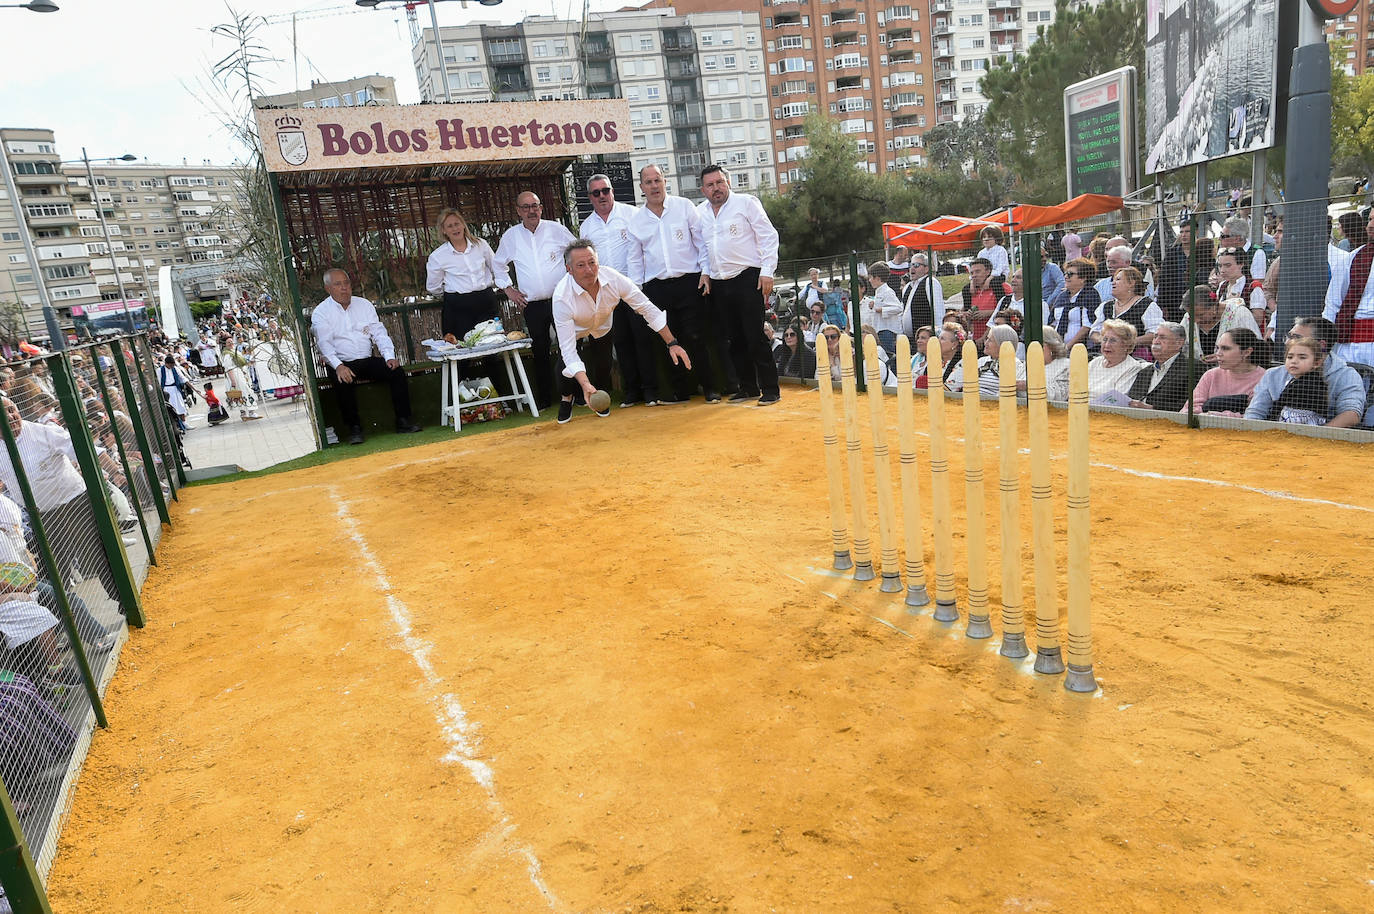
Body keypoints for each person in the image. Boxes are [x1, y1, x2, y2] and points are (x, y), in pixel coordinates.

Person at [551, 239, 691, 424]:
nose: (589, 270)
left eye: (592, 262)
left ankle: (598, 395)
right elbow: (569, 351)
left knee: (604, 364)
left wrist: (672, 343)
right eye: (581, 265)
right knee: (564, 370)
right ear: (569, 269)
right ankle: (567, 398)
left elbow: (646, 308)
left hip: (602, 325)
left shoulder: (614, 278)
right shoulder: (562, 297)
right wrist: (584, 384)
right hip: (575, 329)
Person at [626, 164, 718, 404]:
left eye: (657, 180)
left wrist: (706, 272)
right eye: (649, 182)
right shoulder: (637, 221)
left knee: (696, 337)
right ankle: (680, 392)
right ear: (641, 188)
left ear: (665, 181)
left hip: (690, 282)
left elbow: (701, 243)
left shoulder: (684, 206)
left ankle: (709, 388)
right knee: (668, 340)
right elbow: (635, 260)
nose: (654, 186)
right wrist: (636, 295)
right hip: (656, 287)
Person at [696, 165, 781, 405]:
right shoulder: (700, 213)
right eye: (710, 185)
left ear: (728, 182)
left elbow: (768, 236)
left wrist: (767, 272)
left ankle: (771, 389)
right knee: (733, 338)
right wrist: (705, 273)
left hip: (748, 277)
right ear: (703, 190)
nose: (716, 188)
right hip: (719, 282)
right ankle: (748, 387)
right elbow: (703, 248)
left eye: (720, 182)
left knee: (754, 335)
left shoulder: (746, 203)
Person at [310, 268, 423, 445]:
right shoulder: (321, 312)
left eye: (346, 283)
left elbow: (379, 333)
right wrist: (338, 366)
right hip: (342, 361)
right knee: (342, 380)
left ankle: (403, 421)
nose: (344, 288)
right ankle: (354, 428)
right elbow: (324, 344)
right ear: (328, 289)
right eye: (338, 284)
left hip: (366, 359)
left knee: (396, 372)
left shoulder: (364, 305)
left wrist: (389, 356)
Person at [580, 173, 657, 409]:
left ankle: (651, 391)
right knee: (621, 343)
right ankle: (631, 391)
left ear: (612, 191)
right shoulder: (586, 227)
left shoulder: (632, 215)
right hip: (608, 294)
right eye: (596, 193)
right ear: (590, 197)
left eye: (606, 190)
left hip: (635, 288)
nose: (602, 196)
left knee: (644, 340)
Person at [494, 191, 577, 410]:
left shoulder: (556, 230)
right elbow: (498, 265)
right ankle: (544, 399)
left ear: (541, 208)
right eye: (526, 207)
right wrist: (509, 289)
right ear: (519, 211)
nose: (532, 210)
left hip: (561, 300)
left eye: (535, 206)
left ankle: (574, 394)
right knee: (540, 351)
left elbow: (577, 252)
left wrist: (571, 280)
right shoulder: (510, 236)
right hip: (532, 305)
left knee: (568, 347)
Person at [1245, 318, 1366, 427]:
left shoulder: (1347, 376)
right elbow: (1255, 412)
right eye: (1288, 336)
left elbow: (1351, 415)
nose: (1287, 342)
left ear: (1320, 345)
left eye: (1296, 337)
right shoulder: (1272, 374)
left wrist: (1316, 437)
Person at [426, 207, 502, 344]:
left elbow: (497, 268)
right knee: (460, 350)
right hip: (457, 308)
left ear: (463, 225)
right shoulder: (437, 256)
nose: (455, 228)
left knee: (492, 347)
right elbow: (433, 287)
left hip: (485, 302)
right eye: (449, 226)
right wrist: (454, 295)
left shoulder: (481, 245)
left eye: (457, 224)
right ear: (444, 231)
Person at [1323, 206, 1374, 367]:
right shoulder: (1354, 258)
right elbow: (1333, 303)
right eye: (1370, 219)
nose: (1370, 225)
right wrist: (1325, 344)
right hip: (1351, 348)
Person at [1183, 328, 1267, 415]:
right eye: (1217, 348)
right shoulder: (1211, 375)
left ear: (1246, 352)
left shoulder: (1265, 379)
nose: (1218, 353)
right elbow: (1188, 409)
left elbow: (1254, 417)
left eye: (1225, 348)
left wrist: (1211, 414)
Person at [1179, 285, 1259, 365]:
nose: (1195, 320)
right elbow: (1180, 344)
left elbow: (1256, 347)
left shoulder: (1240, 314)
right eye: (1191, 316)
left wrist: (1225, 356)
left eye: (1201, 315)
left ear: (1213, 307)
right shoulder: (1188, 318)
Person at [1259, 336, 1330, 425]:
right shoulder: (1295, 381)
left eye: (1302, 357)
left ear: (1316, 363)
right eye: (1290, 357)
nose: (1294, 361)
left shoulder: (1310, 385)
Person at [1092, 266, 1163, 354]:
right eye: (1113, 280)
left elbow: (1155, 334)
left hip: (1135, 357)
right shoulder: (1105, 306)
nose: (1113, 283)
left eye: (1118, 279)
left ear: (1131, 283)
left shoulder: (1147, 305)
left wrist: (1129, 343)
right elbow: (1094, 332)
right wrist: (1105, 341)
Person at [948, 324, 1025, 400]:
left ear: (1001, 344)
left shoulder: (1016, 366)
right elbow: (952, 384)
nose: (986, 343)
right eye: (987, 339)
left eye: (990, 340)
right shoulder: (981, 361)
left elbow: (1021, 395)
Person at [1126, 322, 1190, 411]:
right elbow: (1132, 397)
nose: (1156, 341)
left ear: (1179, 343)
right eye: (1155, 337)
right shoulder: (1145, 371)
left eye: (1162, 338)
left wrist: (1152, 408)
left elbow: (1190, 404)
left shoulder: (1192, 368)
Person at [1086, 319, 1146, 401]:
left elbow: (1115, 400)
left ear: (1126, 346)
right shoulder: (1095, 362)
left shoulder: (1131, 367)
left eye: (1113, 340)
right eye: (1105, 339)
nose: (1107, 345)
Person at [1046, 257, 1098, 349]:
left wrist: (1067, 347)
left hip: (1081, 350)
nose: (1065, 277)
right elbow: (1053, 324)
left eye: (1070, 274)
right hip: (1058, 348)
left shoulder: (1091, 295)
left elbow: (1087, 326)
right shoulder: (1062, 296)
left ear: (1083, 278)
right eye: (1065, 273)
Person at [862, 262, 903, 358]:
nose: (870, 280)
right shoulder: (879, 291)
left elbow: (898, 308)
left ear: (878, 278)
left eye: (871, 277)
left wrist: (880, 310)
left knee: (889, 357)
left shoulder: (888, 292)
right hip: (880, 331)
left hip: (887, 332)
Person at [960, 257, 1005, 342]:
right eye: (972, 273)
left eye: (978, 271)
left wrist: (988, 313)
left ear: (988, 272)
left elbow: (1008, 311)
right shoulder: (968, 291)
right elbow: (963, 314)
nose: (974, 275)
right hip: (975, 339)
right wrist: (967, 314)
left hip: (997, 338)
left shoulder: (1000, 287)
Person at [901, 254, 940, 338]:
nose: (912, 268)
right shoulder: (907, 287)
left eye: (916, 265)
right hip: (911, 339)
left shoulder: (930, 282)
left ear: (926, 269)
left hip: (927, 337)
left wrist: (938, 334)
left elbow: (938, 310)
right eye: (910, 265)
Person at [1039, 326, 1072, 400]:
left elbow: (1062, 395)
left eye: (1040, 345)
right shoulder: (1027, 365)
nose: (1035, 349)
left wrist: (1029, 386)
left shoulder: (1066, 365)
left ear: (1052, 345)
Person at [158, 354, 188, 433]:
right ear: (166, 363)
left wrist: (192, 387)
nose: (172, 366)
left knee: (180, 405)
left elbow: (182, 378)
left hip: (175, 388)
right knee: (172, 408)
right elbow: (158, 381)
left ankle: (184, 423)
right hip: (166, 390)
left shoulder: (175, 369)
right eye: (171, 364)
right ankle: (177, 425)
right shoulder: (160, 370)